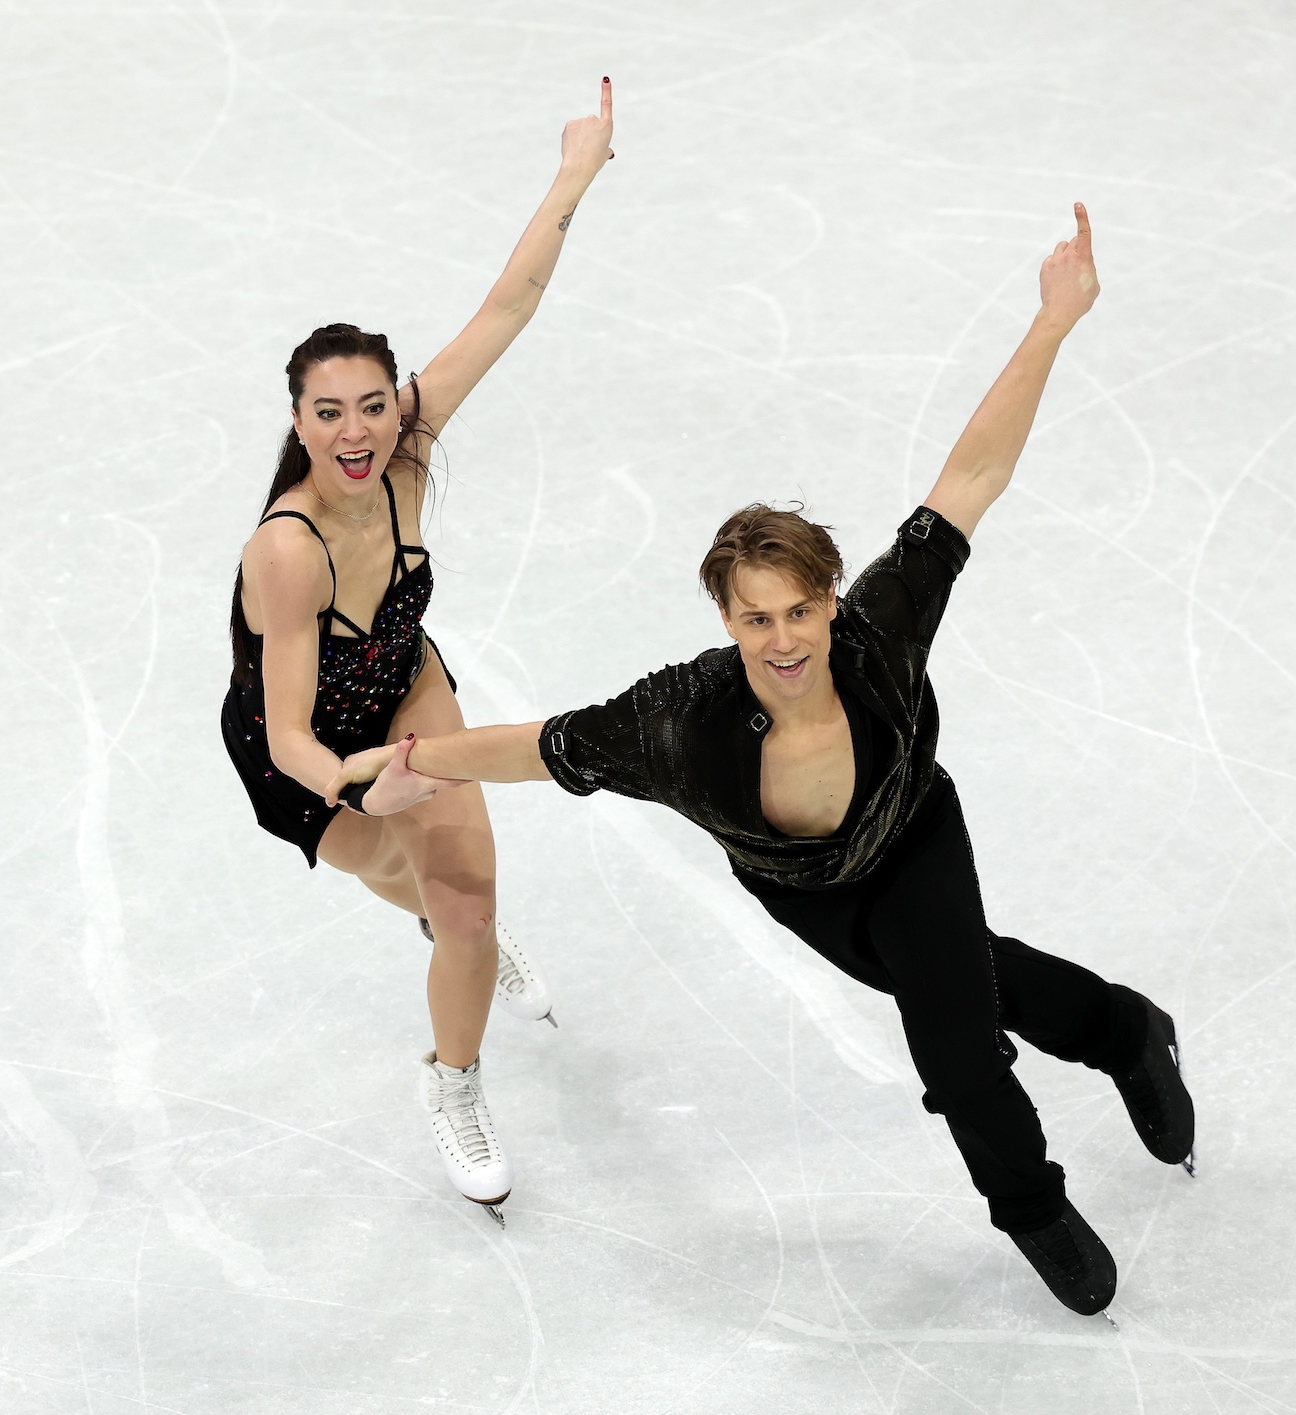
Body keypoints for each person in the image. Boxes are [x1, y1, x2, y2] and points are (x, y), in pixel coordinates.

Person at [326, 204, 1196, 1312]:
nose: (783, 640)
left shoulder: (879, 634)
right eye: (755, 621)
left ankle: (1031, 1205)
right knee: (972, 976)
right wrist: (417, 759)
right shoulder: (677, 724)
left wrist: (1052, 322)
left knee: (957, 1049)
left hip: (915, 839)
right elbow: (542, 744)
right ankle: (1127, 1027)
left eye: (799, 611)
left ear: (831, 599)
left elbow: (972, 474)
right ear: (727, 622)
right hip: (808, 893)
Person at [222, 80, 617, 1226]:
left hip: (408, 684)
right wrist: (365, 781)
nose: (356, 430)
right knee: (415, 887)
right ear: (298, 421)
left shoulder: (406, 453)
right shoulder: (283, 552)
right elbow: (292, 734)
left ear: (395, 404)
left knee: (467, 908)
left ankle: (453, 1081)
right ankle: (459, 939)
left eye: (370, 404)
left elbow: (508, 305)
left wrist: (574, 173)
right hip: (310, 754)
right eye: (327, 411)